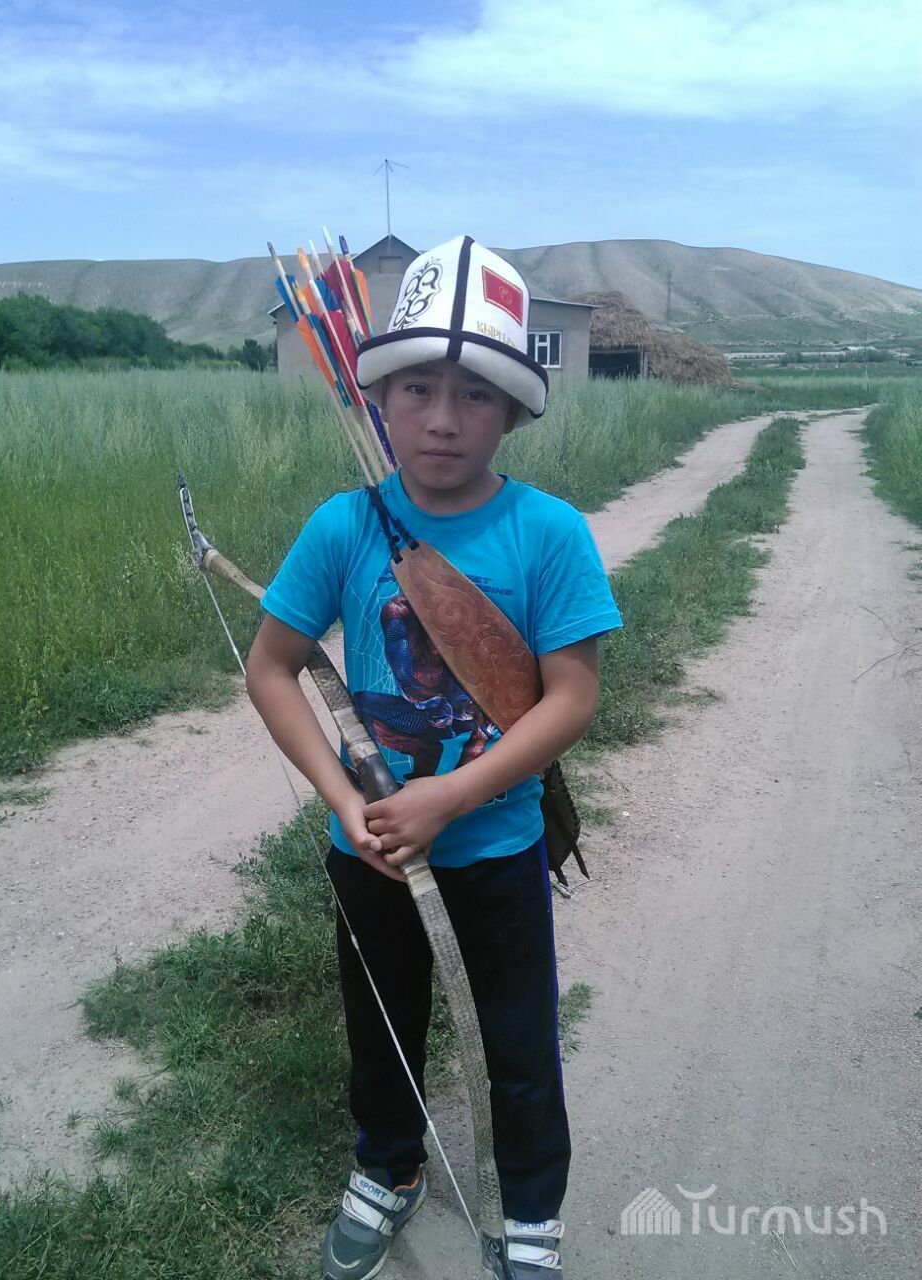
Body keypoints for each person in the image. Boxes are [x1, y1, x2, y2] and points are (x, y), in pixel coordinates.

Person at [246, 236, 623, 1279]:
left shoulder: (548, 533)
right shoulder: (342, 526)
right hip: (369, 852)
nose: (443, 418)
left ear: (511, 411)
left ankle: (530, 1207)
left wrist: (450, 796)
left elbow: (571, 697)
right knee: (382, 1027)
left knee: (516, 1038)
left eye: (473, 393)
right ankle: (388, 1167)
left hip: (496, 848)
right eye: (417, 388)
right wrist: (344, 802)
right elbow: (272, 668)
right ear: (379, 401)